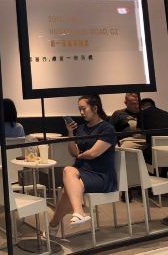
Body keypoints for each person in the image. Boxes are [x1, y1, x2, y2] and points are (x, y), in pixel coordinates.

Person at [48, 95, 117, 233]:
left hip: (101, 175)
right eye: (79, 109)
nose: (81, 112)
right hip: (82, 172)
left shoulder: (107, 129)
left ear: (95, 108)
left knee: (68, 188)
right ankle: (78, 213)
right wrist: (70, 133)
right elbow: (73, 152)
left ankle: (53, 227)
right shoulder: (81, 128)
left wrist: (80, 155)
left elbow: (93, 153)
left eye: (84, 109)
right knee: (68, 171)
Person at [138, 98, 168, 166]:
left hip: (154, 151)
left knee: (137, 151)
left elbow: (139, 132)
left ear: (142, 106)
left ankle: (146, 172)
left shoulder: (142, 113)